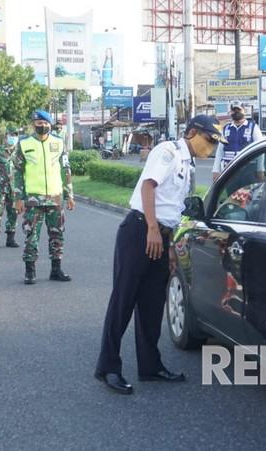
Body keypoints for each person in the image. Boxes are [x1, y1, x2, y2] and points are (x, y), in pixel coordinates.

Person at [95, 115, 228, 395]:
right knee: (123, 300)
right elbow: (148, 186)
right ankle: (108, 367)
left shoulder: (187, 164)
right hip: (141, 230)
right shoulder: (167, 151)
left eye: (215, 142)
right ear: (192, 132)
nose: (212, 147)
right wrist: (153, 229)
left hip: (161, 235)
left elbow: (175, 208)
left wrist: (168, 244)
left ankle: (150, 366)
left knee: (153, 303)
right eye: (209, 139)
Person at [12, 110, 75, 284]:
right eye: (38, 124)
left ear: (50, 124)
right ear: (33, 125)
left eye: (45, 123)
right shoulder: (24, 143)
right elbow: (17, 171)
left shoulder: (58, 142)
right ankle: (30, 271)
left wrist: (69, 194)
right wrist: (18, 197)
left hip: (55, 197)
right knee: (31, 234)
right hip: (33, 198)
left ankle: (56, 269)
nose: (42, 126)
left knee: (57, 234)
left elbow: (65, 169)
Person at [212, 103, 263, 181]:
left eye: (238, 110)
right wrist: (216, 170)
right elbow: (220, 151)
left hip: (247, 170)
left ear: (244, 111)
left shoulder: (253, 127)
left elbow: (260, 150)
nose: (236, 112)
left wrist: (260, 169)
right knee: (231, 193)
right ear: (230, 112)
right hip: (229, 170)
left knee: (246, 193)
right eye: (234, 110)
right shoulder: (226, 128)